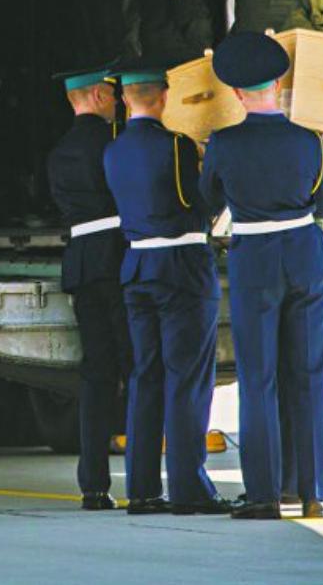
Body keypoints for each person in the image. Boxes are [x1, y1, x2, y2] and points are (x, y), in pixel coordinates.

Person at [199, 31, 323, 520]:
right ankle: (315, 492)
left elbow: (206, 201)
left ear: (237, 93)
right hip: (305, 257)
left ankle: (264, 495)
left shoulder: (224, 143)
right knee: (311, 376)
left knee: (259, 381)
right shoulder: (310, 141)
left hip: (255, 260)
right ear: (279, 83)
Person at [102, 58, 229, 516]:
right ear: (164, 97)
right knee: (187, 381)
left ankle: (141, 489)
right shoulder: (176, 145)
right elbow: (193, 201)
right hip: (180, 266)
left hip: (137, 265)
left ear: (124, 99)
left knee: (146, 379)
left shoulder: (113, 149)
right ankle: (189, 489)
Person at [46, 62, 130, 510]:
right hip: (117, 260)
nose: (118, 102)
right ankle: (146, 482)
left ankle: (93, 485)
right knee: (137, 369)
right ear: (98, 97)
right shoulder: (114, 144)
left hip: (82, 263)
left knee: (96, 376)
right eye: (112, 95)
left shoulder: (58, 152)